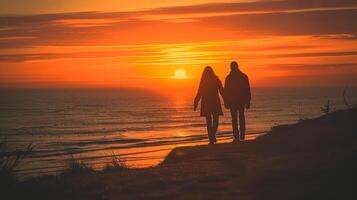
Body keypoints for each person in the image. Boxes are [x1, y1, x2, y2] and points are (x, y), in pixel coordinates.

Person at [194, 66, 225, 144]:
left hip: (207, 102)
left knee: (209, 121)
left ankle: (211, 137)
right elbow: (222, 91)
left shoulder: (204, 81)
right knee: (215, 121)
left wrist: (196, 102)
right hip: (214, 102)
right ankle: (212, 136)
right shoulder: (215, 80)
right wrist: (226, 100)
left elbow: (199, 93)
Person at [224, 61, 251, 141]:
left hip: (234, 101)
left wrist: (226, 102)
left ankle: (237, 135)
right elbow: (247, 90)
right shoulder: (243, 76)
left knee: (235, 118)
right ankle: (241, 134)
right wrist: (248, 101)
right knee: (240, 117)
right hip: (240, 101)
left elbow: (226, 91)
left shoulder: (229, 78)